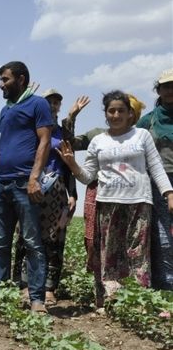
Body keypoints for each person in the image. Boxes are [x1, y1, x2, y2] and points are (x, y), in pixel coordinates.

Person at [58, 90, 173, 311]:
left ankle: (140, 303)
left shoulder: (142, 136)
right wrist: (73, 165)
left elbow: (156, 168)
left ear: (130, 113)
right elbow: (88, 176)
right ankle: (111, 303)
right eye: (111, 110)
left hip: (139, 203)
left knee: (138, 254)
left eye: (121, 110)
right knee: (109, 255)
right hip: (108, 204)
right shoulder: (98, 140)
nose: (116, 114)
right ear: (106, 114)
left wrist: (169, 193)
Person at [0, 61, 53, 314]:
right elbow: (2, 147)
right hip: (4, 184)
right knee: (1, 242)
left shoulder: (38, 104)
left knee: (32, 242)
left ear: (21, 79)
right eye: (0, 80)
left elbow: (44, 142)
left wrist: (35, 177)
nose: (1, 84)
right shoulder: (6, 109)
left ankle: (37, 299)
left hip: (25, 183)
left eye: (5, 79)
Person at [12, 89, 90, 306]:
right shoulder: (30, 129)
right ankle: (26, 285)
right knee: (26, 236)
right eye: (49, 102)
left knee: (54, 238)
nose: (53, 105)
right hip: (31, 185)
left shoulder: (61, 132)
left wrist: (72, 193)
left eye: (57, 102)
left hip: (56, 188)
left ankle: (48, 287)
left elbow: (68, 160)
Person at [137, 68, 173, 291]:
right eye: (166, 86)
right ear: (158, 90)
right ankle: (166, 286)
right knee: (162, 235)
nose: (171, 90)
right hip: (158, 182)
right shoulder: (148, 121)